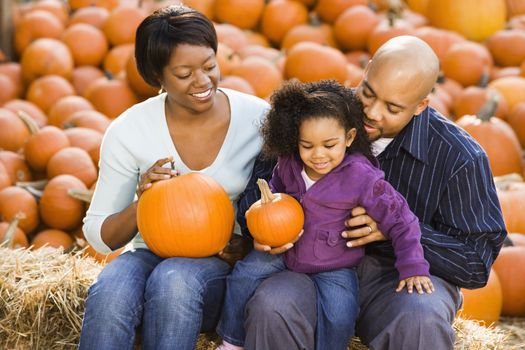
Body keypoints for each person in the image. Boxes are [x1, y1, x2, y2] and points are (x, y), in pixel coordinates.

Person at [239, 36, 507, 349]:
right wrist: (263, 225)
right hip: (308, 267)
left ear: (421, 105)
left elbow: (474, 264)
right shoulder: (315, 114)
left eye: (392, 107)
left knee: (421, 318)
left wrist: (393, 229)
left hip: (396, 277)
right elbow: (253, 196)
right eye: (368, 93)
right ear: (367, 71)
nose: (373, 112)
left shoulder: (459, 157)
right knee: (272, 304)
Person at [78, 5, 270, 350]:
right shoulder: (129, 131)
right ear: (157, 77)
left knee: (174, 280)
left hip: (220, 261)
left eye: (210, 66)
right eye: (184, 74)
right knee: (110, 293)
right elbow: (99, 237)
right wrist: (143, 202)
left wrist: (247, 241)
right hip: (149, 251)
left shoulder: (259, 120)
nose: (202, 81)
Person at [216, 80, 434, 350]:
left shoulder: (362, 177)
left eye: (330, 145)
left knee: (340, 313)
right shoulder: (289, 163)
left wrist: (412, 265)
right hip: (285, 251)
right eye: (307, 146)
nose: (318, 155)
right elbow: (275, 191)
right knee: (243, 276)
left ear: (349, 137)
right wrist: (265, 212)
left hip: (335, 264)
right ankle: (232, 341)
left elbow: (401, 220)